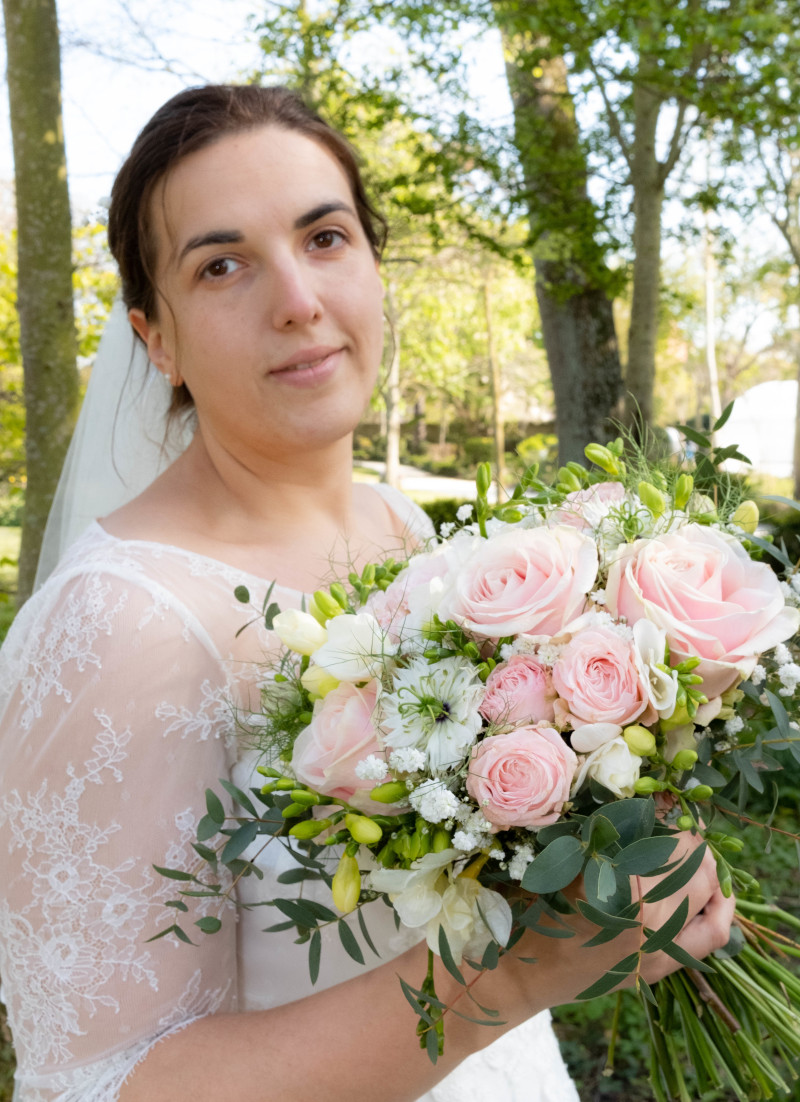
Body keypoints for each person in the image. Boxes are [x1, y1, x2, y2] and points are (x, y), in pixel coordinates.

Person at [0, 85, 735, 1102]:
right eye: (221, 265)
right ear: (154, 337)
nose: (297, 299)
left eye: (325, 237)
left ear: (374, 268)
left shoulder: (403, 528)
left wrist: (619, 833)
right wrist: (511, 976)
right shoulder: (119, 626)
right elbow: (107, 1081)